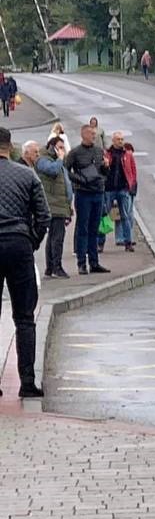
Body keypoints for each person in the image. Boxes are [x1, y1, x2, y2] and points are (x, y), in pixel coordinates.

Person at [0, 126, 51, 398]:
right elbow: (43, 216)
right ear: (11, 148)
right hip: (19, 244)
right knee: (24, 317)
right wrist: (31, 241)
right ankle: (28, 383)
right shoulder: (27, 174)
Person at [66, 124, 109, 275]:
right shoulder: (75, 153)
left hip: (98, 192)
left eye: (95, 134)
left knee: (94, 229)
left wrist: (105, 167)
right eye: (91, 134)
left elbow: (104, 172)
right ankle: (81, 263)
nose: (94, 136)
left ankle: (94, 262)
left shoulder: (99, 151)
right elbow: (65, 169)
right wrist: (79, 179)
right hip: (83, 194)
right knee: (83, 229)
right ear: (83, 135)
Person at [36, 137, 73, 278]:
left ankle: (51, 267)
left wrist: (69, 204)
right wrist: (60, 159)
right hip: (53, 205)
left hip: (61, 204)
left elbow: (66, 183)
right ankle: (55, 267)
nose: (62, 150)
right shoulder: (44, 160)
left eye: (63, 147)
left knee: (54, 237)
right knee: (56, 238)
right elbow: (53, 171)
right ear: (52, 147)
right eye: (60, 147)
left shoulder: (58, 161)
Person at [99, 132, 137, 254]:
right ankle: (100, 243)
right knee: (104, 215)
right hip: (109, 188)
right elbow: (102, 170)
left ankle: (128, 242)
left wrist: (131, 185)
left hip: (123, 188)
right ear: (113, 140)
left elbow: (133, 170)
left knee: (125, 215)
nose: (121, 141)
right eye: (118, 139)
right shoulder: (107, 153)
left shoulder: (127, 154)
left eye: (122, 139)